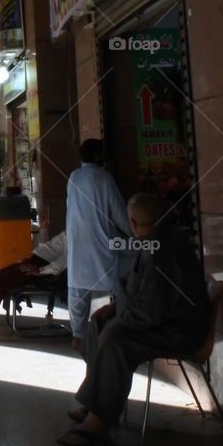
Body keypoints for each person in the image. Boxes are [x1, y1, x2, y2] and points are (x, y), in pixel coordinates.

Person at [57, 192, 211, 446]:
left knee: (116, 340)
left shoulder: (163, 251)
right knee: (99, 326)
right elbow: (141, 294)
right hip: (162, 322)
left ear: (133, 223)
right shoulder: (155, 241)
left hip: (179, 331)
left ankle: (98, 424)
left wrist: (118, 322)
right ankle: (96, 405)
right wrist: (115, 309)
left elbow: (150, 311)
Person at [66, 139, 135, 346]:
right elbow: (119, 213)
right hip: (102, 243)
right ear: (97, 156)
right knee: (130, 260)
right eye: (102, 153)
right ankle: (127, 319)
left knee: (78, 288)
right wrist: (136, 235)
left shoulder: (73, 177)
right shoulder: (104, 179)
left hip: (77, 243)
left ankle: (78, 335)